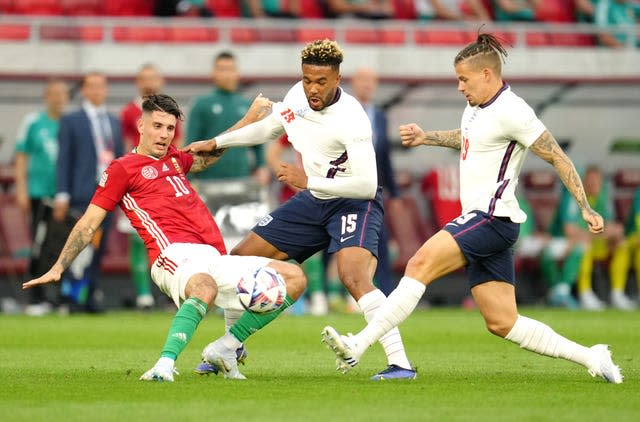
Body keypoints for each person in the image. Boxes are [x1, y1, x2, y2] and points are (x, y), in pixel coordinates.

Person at [320, 33, 623, 384]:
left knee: (419, 263)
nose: (460, 87)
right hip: (488, 222)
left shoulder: (514, 111)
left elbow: (555, 153)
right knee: (502, 321)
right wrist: (426, 137)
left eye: (464, 79)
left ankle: (360, 345)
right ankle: (592, 356)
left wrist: (585, 207)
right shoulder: (476, 107)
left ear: (487, 75)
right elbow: (469, 138)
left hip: (491, 218)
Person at [22, 93, 307, 382]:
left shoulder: (174, 158)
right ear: (141, 125)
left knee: (294, 278)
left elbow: (210, 153)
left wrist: (248, 119)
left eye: (169, 129)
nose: (163, 135)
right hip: (171, 255)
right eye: (157, 126)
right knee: (204, 289)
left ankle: (226, 347)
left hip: (213, 254)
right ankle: (164, 365)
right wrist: (59, 266)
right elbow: (88, 224)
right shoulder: (122, 169)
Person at [185, 39, 416, 381]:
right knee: (239, 259)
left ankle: (401, 364)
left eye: (321, 82)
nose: (312, 88)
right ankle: (231, 347)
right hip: (315, 198)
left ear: (337, 79)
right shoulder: (297, 95)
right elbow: (271, 127)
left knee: (353, 276)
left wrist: (309, 182)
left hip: (353, 200)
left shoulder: (353, 119)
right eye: (307, 79)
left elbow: (367, 184)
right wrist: (218, 142)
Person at [55, 71, 124, 313]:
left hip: (108, 193)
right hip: (82, 193)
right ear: (83, 90)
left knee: (98, 248)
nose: (97, 90)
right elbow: (64, 159)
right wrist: (62, 193)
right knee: (79, 248)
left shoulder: (113, 121)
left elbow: (120, 161)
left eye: (101, 86)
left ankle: (90, 294)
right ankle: (72, 298)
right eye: (92, 86)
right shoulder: (71, 120)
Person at [120, 63, 182, 310]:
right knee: (137, 238)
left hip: (164, 181)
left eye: (153, 78)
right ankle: (144, 295)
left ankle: (169, 292)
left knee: (170, 238)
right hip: (137, 181)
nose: (149, 83)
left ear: (161, 81)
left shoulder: (170, 110)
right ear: (138, 81)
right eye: (144, 78)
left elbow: (179, 145)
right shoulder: (128, 112)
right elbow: (124, 145)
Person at [13, 79, 69, 316]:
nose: (58, 98)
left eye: (62, 94)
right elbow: (21, 157)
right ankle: (37, 297)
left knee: (61, 247)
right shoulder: (33, 122)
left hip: (64, 196)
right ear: (46, 96)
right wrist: (21, 189)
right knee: (39, 245)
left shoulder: (69, 124)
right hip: (38, 193)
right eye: (53, 93)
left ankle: (58, 298)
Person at [351, 66, 402, 296]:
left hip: (374, 191)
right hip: (345, 188)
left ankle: (387, 294)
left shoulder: (379, 116)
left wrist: (396, 193)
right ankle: (327, 296)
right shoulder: (343, 112)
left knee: (380, 240)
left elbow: (385, 157)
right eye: (363, 80)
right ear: (353, 83)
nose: (367, 85)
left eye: (372, 81)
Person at [185, 51, 269, 185]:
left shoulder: (247, 105)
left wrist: (261, 166)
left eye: (231, 69)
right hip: (208, 181)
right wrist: (188, 180)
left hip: (241, 179)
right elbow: (190, 145)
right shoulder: (201, 104)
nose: (227, 74)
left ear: (237, 73)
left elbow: (257, 141)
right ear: (213, 73)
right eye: (222, 69)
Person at [572, 165, 634, 310]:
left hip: (599, 243)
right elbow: (572, 231)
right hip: (580, 245)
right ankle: (585, 293)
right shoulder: (576, 197)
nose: (594, 185)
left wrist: (606, 234)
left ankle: (617, 294)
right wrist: (602, 233)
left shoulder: (603, 198)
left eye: (597, 181)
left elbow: (614, 227)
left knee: (622, 244)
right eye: (590, 181)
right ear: (583, 182)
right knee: (584, 245)